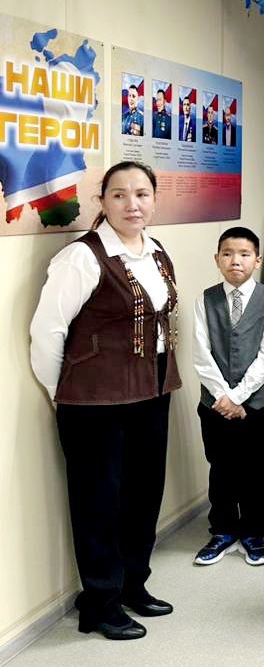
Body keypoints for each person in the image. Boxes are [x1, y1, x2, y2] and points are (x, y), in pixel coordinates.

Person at [30, 161, 181, 640]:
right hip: (95, 403)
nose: (132, 204)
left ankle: (133, 585)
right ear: (102, 201)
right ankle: (99, 603)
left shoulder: (155, 251)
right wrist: (63, 392)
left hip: (152, 391)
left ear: (154, 199)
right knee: (99, 503)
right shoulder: (81, 257)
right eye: (119, 195)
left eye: (141, 194)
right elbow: (47, 333)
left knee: (143, 495)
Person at [190, 227, 264, 567]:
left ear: (257, 260)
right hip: (215, 403)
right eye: (228, 254)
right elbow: (201, 354)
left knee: (257, 469)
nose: (235, 261)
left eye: (244, 254)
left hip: (258, 402)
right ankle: (223, 530)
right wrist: (224, 397)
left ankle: (254, 532)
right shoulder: (204, 299)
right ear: (217, 259)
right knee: (222, 466)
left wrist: (240, 396)